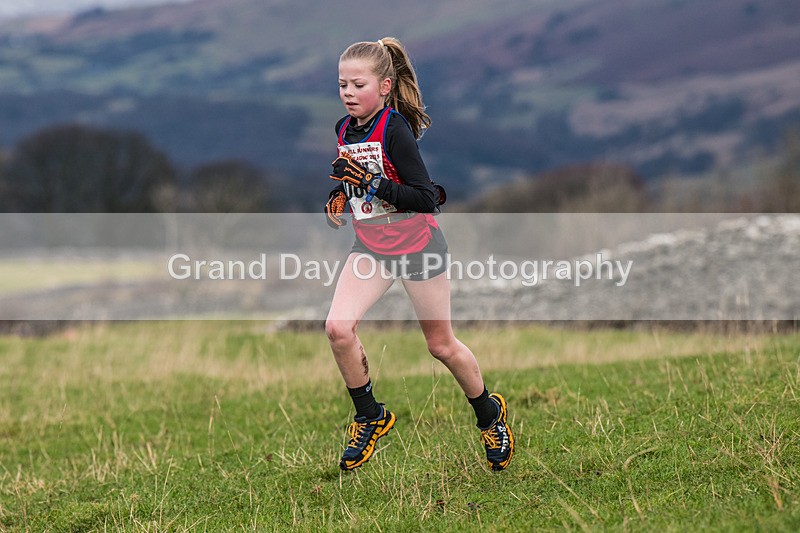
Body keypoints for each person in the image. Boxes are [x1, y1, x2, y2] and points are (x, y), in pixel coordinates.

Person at [324, 37, 514, 472]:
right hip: (371, 246)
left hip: (417, 247)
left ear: (385, 86)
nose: (348, 93)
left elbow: (426, 198)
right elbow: (358, 182)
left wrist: (370, 183)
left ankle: (490, 416)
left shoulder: (395, 130)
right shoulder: (343, 129)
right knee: (337, 328)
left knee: (440, 345)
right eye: (342, 85)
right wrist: (340, 198)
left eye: (358, 85)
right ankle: (370, 416)